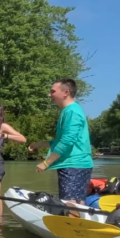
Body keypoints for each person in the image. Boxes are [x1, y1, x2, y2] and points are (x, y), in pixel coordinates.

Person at [28, 78, 94, 207]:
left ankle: (73, 226)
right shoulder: (69, 111)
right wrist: (41, 144)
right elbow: (64, 139)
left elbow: (67, 141)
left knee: (71, 204)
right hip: (73, 165)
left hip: (75, 165)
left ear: (66, 92)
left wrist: (47, 162)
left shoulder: (72, 112)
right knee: (73, 203)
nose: (49, 95)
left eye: (52, 91)